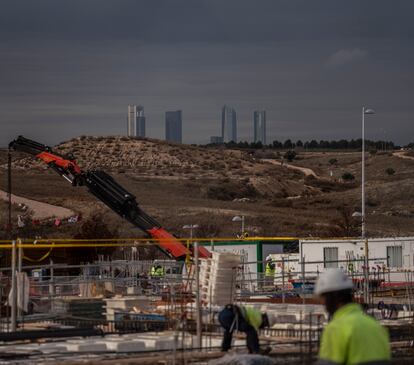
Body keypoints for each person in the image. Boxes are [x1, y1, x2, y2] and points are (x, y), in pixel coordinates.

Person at [315, 268, 391, 365]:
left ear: (335, 297)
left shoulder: (336, 328)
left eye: (323, 298)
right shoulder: (376, 326)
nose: (322, 303)